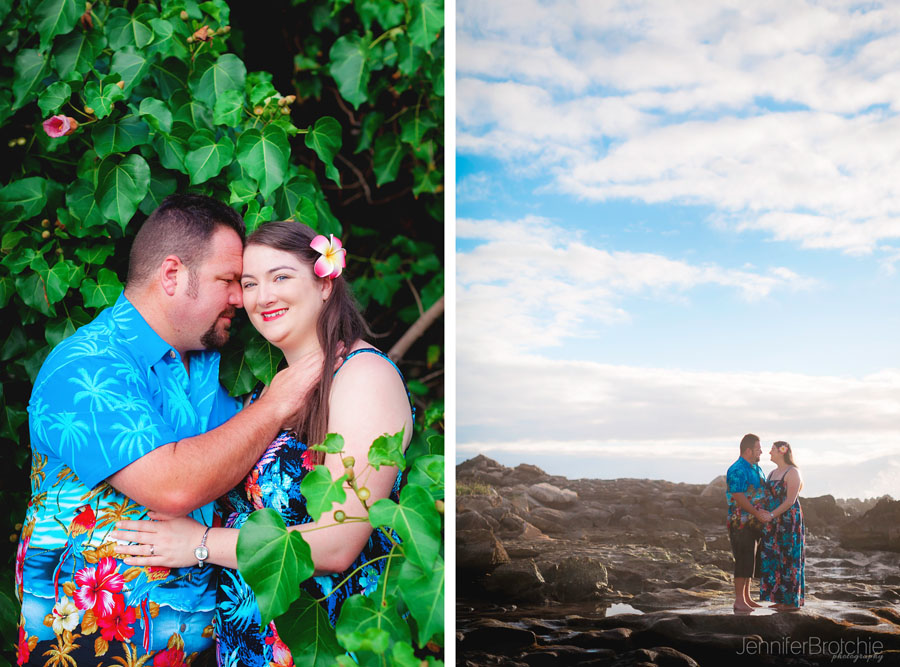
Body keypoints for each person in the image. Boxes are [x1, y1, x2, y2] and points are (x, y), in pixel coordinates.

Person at [15, 196, 323, 666]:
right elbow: (174, 486)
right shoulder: (86, 368)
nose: (241, 297)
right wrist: (275, 405)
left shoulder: (204, 366)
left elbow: (245, 455)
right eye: (227, 281)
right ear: (173, 274)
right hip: (89, 645)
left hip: (196, 642)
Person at [110, 221, 414, 667]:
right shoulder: (272, 397)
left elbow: (341, 540)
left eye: (281, 277)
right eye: (249, 283)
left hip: (326, 645)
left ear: (326, 284)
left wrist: (201, 543)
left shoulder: (362, 377)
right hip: (253, 646)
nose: (262, 296)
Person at [725, 433, 773, 613]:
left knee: (751, 559)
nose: (761, 451)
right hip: (741, 522)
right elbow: (738, 496)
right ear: (748, 450)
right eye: (758, 448)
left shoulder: (756, 467)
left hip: (755, 522)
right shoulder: (737, 469)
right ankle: (739, 600)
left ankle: (747, 597)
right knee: (743, 558)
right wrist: (756, 512)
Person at [759, 441, 806, 611]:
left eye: (772, 449)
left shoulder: (792, 472)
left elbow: (790, 501)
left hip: (788, 522)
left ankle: (791, 602)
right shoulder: (772, 473)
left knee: (788, 557)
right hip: (773, 522)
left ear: (782, 451)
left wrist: (771, 514)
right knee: (774, 557)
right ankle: (778, 598)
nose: (769, 452)